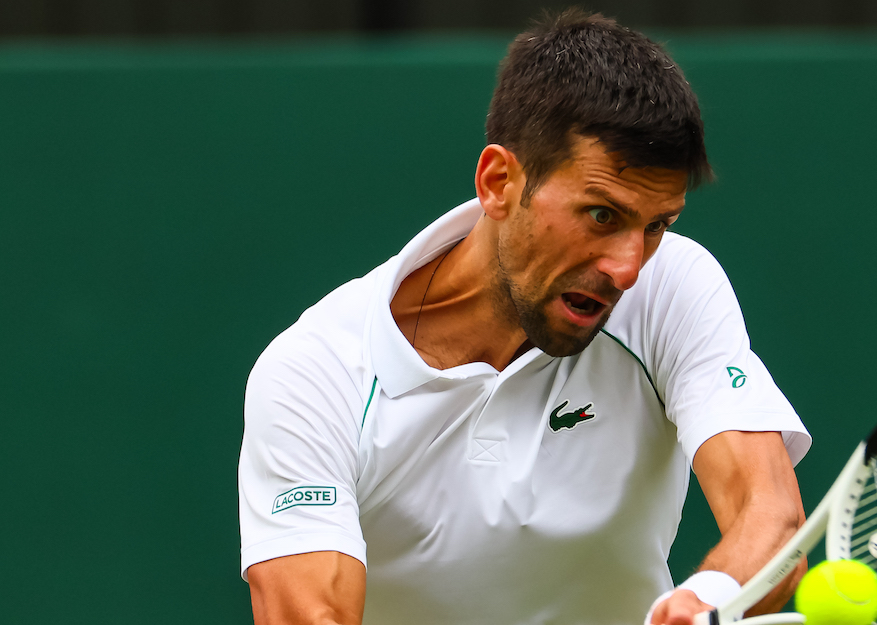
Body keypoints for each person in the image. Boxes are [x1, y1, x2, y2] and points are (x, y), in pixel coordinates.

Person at [238, 9, 811, 625]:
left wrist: (709, 599)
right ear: (499, 182)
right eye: (601, 215)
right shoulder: (315, 375)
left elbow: (769, 512)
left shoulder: (673, 285)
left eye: (656, 226)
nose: (628, 267)